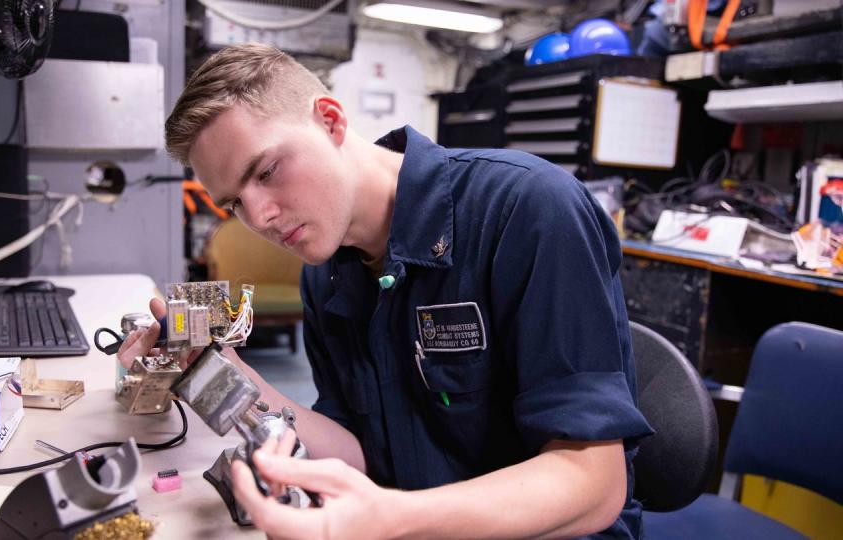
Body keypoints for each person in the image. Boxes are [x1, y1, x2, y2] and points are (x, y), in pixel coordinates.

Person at [119, 42, 653, 539]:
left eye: (267, 171)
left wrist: (391, 518)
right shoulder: (325, 271)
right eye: (233, 203)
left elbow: (594, 485)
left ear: (330, 120)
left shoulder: (528, 209)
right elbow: (360, 452)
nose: (258, 216)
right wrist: (225, 373)